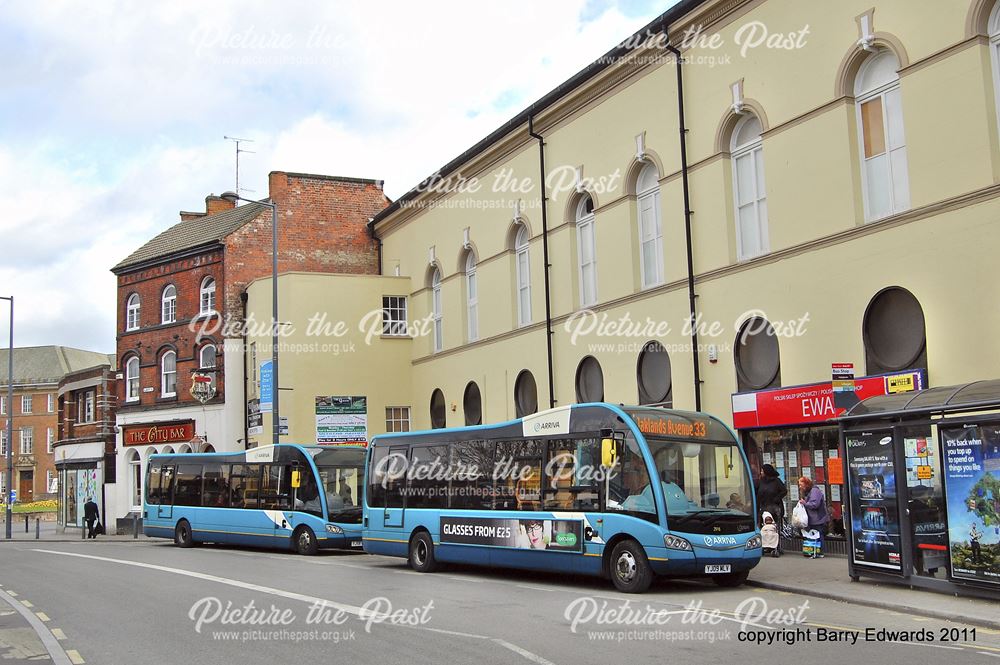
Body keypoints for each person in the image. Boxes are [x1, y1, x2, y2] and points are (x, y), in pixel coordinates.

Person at [756, 464, 787, 553]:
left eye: (762, 471)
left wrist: (776, 498)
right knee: (764, 527)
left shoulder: (776, 481)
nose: (761, 473)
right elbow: (757, 493)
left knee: (774, 527)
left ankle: (776, 545)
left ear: (767, 472)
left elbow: (784, 491)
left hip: (775, 508)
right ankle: (765, 545)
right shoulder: (761, 481)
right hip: (763, 508)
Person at [798, 476, 829, 558]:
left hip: (818, 518)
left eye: (801, 484)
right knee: (814, 534)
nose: (800, 487)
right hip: (813, 518)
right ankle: (814, 551)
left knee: (818, 534)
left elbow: (815, 504)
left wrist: (805, 503)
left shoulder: (815, 491)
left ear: (806, 484)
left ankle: (820, 552)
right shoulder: (808, 491)